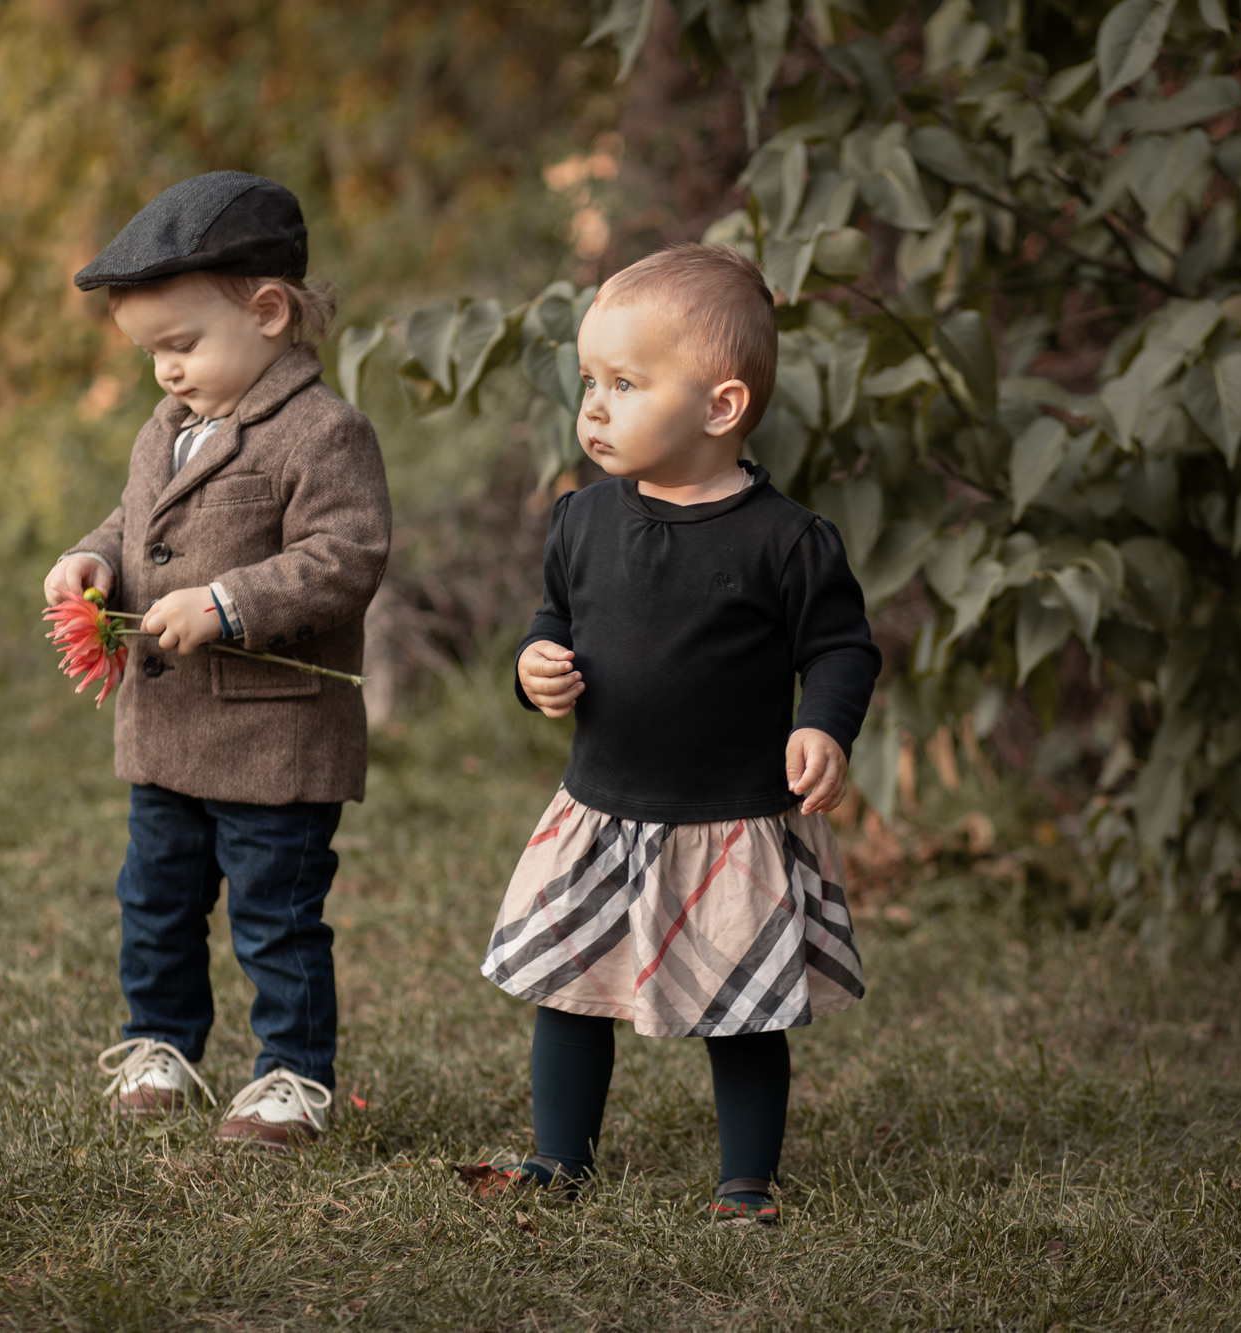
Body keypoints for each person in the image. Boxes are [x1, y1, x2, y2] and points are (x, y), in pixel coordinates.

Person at [468, 243, 880, 1222]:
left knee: (743, 1010)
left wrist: (823, 726)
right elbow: (554, 618)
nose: (594, 407)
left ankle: (745, 1181)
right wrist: (535, 666)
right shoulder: (580, 521)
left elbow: (840, 648)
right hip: (602, 809)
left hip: (729, 821)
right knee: (570, 990)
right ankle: (560, 1156)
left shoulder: (784, 541)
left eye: (625, 383)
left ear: (719, 407)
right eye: (589, 383)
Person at [43, 171, 390, 1149]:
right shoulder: (166, 428)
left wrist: (229, 603)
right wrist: (94, 558)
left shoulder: (322, 432)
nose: (164, 371)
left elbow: (346, 556)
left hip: (272, 739)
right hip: (165, 734)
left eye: (181, 345)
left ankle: (291, 1073)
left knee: (275, 915)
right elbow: (136, 521)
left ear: (268, 312)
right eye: (151, 353)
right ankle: (158, 1042)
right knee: (155, 901)